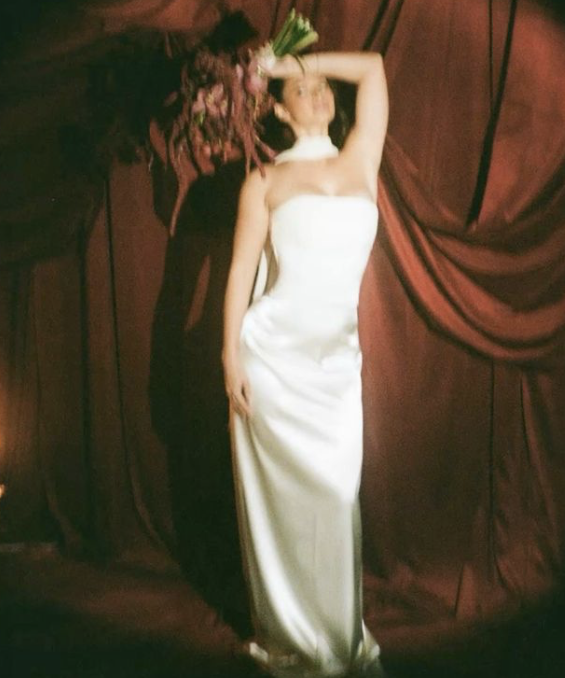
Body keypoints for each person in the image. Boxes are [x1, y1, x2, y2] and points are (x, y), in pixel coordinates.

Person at [222, 51, 388, 677]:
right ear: (279, 109)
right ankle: (290, 634)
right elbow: (241, 270)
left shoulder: (361, 156)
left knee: (337, 497)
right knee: (283, 511)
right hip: (272, 360)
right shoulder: (264, 181)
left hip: (335, 367)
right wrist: (229, 356)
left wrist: (291, 60)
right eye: (302, 89)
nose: (318, 94)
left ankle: (338, 636)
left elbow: (373, 67)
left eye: (323, 87)